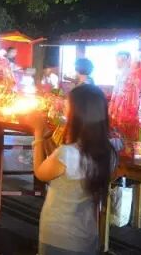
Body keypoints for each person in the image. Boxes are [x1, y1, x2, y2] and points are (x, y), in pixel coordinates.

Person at [30, 84, 117, 255]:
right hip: (87, 237)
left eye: (67, 110)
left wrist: (38, 134)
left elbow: (41, 172)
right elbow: (61, 165)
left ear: (77, 117)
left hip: (58, 236)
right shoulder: (109, 153)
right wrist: (48, 137)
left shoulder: (68, 154)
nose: (64, 114)